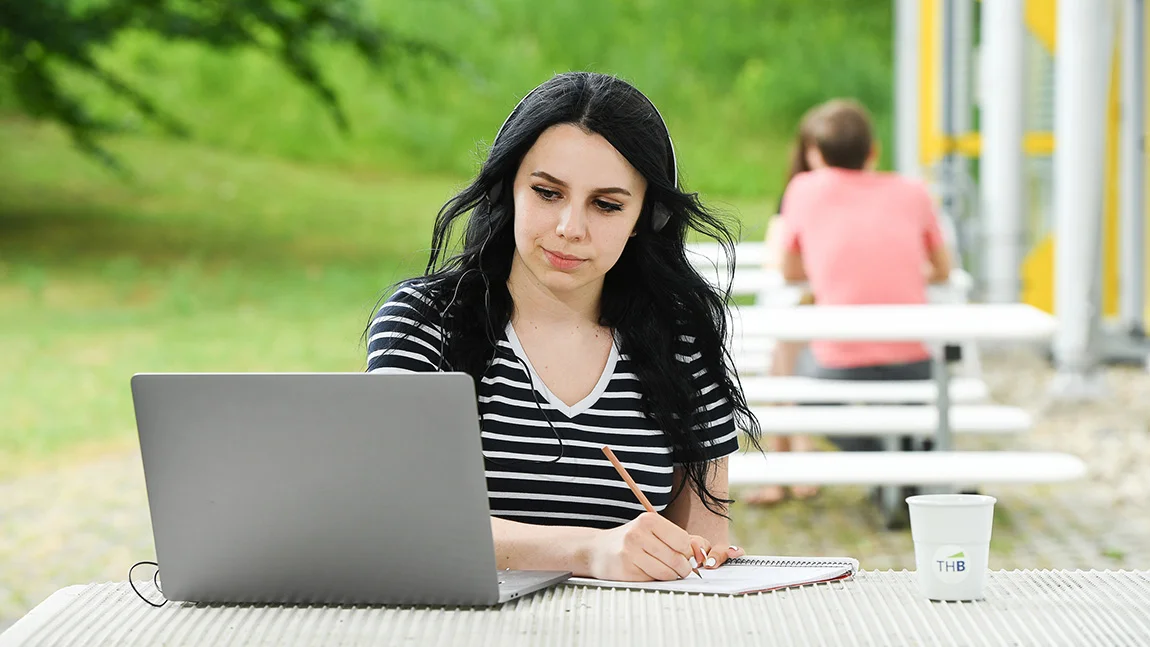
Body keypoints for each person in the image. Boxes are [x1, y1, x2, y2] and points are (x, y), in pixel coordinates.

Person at [365, 72, 762, 583]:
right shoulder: (423, 323)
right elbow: (401, 522)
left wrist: (700, 557)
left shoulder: (680, 339)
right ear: (509, 186)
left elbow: (706, 538)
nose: (570, 228)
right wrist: (588, 551)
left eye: (606, 204)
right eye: (548, 193)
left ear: (646, 217)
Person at [768, 98, 951, 459]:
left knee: (799, 386)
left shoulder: (804, 189)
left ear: (817, 155)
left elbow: (788, 269)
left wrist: (828, 268)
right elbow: (942, 268)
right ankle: (907, 462)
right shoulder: (913, 190)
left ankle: (883, 462)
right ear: (873, 151)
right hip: (913, 358)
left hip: (838, 363)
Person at [742, 128, 823, 506]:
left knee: (781, 357)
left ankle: (786, 463)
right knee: (781, 355)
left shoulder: (812, 197)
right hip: (794, 309)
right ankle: (794, 458)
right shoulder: (797, 197)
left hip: (814, 315)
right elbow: (781, 260)